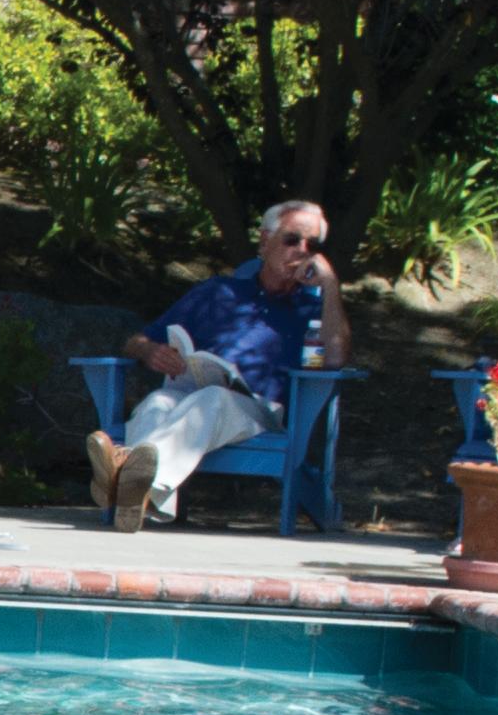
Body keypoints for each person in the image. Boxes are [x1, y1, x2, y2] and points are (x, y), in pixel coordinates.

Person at [89, 198, 349, 531]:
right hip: (192, 392)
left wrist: (330, 285)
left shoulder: (312, 309)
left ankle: (120, 475)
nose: (302, 250)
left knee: (211, 400)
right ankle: (136, 497)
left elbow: (338, 358)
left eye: (312, 245)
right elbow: (134, 340)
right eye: (291, 239)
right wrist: (151, 351)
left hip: (259, 410)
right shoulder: (218, 292)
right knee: (157, 402)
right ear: (265, 240)